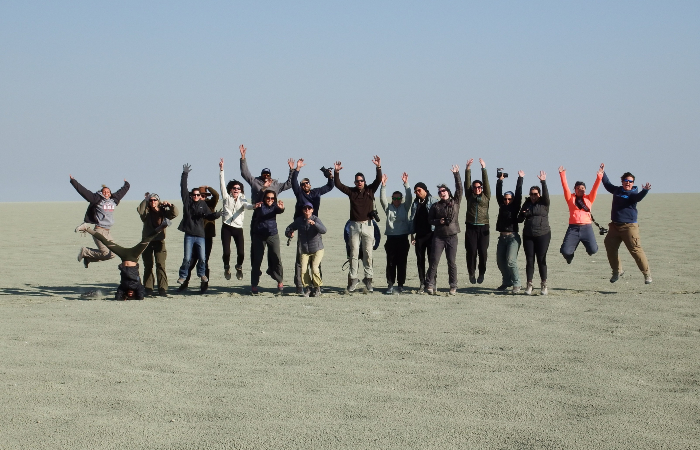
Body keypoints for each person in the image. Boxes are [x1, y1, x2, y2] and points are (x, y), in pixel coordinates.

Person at [79, 219, 172, 300]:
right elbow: (141, 297)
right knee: (147, 239)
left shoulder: (122, 287)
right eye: (132, 295)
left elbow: (118, 296)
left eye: (129, 295)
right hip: (134, 255)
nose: (130, 293)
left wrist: (123, 297)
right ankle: (163, 225)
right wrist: (136, 296)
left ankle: (87, 228)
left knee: (106, 242)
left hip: (123, 255)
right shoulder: (138, 287)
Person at [334, 156, 382, 292]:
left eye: (361, 180)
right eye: (357, 181)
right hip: (354, 226)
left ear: (364, 181)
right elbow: (338, 185)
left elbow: (379, 179)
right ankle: (353, 279)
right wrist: (336, 172)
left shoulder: (370, 190)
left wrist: (378, 167)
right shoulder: (352, 192)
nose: (359, 182)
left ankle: (368, 279)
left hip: (368, 225)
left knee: (368, 253)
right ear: (355, 182)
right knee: (353, 252)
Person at [601, 166, 652, 284]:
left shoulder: (633, 193)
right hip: (614, 227)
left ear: (633, 183)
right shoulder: (617, 190)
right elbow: (607, 184)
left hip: (629, 227)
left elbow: (638, 198)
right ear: (622, 182)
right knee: (609, 246)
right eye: (626, 181)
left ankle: (647, 274)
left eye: (630, 181)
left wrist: (644, 191)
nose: (628, 183)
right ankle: (617, 271)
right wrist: (603, 173)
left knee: (635, 250)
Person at [290, 158, 334, 294]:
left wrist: (330, 176)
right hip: (301, 225)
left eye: (307, 183)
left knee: (316, 258)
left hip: (314, 224)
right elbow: (293, 183)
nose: (305, 185)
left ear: (310, 184)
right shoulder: (299, 193)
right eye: (303, 184)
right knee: (301, 259)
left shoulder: (316, 192)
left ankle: (317, 286)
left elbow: (330, 186)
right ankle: (300, 286)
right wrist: (297, 169)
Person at [176, 164, 222, 288]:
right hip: (190, 235)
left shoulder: (205, 204)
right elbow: (183, 188)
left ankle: (202, 278)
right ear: (191, 195)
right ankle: (183, 278)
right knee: (187, 259)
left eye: (199, 195)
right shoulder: (188, 202)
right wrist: (184, 174)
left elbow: (209, 215)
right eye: (195, 194)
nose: (197, 196)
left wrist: (217, 215)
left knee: (203, 259)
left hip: (203, 236)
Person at [70, 175, 130, 267]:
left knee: (113, 254)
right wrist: (73, 181)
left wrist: (126, 184)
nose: (106, 193)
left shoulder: (113, 200)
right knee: (106, 253)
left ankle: (88, 258)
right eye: (104, 191)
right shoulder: (96, 199)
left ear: (110, 193)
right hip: (99, 231)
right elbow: (84, 192)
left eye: (108, 192)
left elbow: (122, 192)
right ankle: (86, 251)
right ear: (101, 192)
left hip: (108, 232)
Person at [425, 165, 463, 295]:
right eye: (440, 191)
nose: (442, 192)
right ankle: (430, 285)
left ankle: (453, 286)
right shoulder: (436, 206)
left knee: (451, 262)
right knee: (434, 261)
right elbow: (429, 220)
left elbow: (460, 189)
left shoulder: (455, 202)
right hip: (439, 237)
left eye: (444, 190)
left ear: (448, 191)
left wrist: (456, 174)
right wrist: (438, 221)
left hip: (452, 236)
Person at [219, 158, 255, 282]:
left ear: (241, 190)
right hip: (226, 227)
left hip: (238, 229)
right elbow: (222, 183)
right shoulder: (226, 197)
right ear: (230, 189)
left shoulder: (243, 199)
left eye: (238, 188)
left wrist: (255, 206)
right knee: (227, 252)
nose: (236, 190)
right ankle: (226, 267)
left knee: (241, 253)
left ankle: (239, 267)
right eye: (234, 188)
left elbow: (248, 206)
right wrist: (222, 170)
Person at [559, 164, 604, 264]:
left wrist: (600, 175)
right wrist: (562, 174)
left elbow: (595, 187)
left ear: (585, 190)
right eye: (578, 188)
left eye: (583, 188)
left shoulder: (589, 198)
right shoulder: (570, 198)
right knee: (565, 251)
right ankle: (570, 256)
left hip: (587, 228)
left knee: (593, 250)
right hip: (573, 228)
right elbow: (565, 187)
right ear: (575, 190)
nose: (581, 189)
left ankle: (589, 248)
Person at [137, 193, 179, 297]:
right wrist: (145, 200)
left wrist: (170, 205)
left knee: (160, 265)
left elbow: (175, 213)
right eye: (151, 200)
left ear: (158, 201)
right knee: (148, 265)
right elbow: (140, 210)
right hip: (147, 241)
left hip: (159, 241)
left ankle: (162, 289)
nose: (153, 202)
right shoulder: (146, 212)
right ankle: (148, 288)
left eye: (155, 200)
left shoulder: (163, 211)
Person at [518, 171, 551, 295]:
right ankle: (529, 284)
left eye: (535, 194)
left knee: (541, 259)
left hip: (543, 234)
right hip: (528, 235)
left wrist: (543, 181)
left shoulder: (544, 203)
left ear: (539, 194)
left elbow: (546, 195)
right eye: (531, 194)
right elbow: (520, 219)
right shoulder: (526, 204)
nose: (533, 196)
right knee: (529, 260)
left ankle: (544, 284)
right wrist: (523, 213)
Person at [379, 172, 412, 294]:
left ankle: (401, 285)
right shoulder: (388, 208)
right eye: (394, 198)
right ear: (392, 199)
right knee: (391, 262)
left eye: (398, 198)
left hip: (403, 238)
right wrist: (383, 185)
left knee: (402, 263)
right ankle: (390, 285)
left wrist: (406, 183)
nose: (396, 200)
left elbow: (409, 197)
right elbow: (382, 199)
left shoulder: (405, 207)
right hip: (391, 239)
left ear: (401, 199)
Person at [285, 201, 327, 297]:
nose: (307, 210)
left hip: (317, 249)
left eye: (309, 208)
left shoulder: (316, 219)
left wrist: (314, 224)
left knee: (315, 268)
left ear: (312, 210)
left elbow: (324, 230)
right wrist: (289, 233)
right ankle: (308, 288)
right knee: (303, 270)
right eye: (305, 208)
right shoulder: (300, 221)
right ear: (303, 210)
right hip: (305, 250)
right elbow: (289, 227)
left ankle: (317, 288)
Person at [250, 190, 285, 294]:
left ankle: (279, 281)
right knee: (257, 260)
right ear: (264, 198)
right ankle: (254, 284)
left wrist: (282, 208)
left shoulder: (275, 207)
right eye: (268, 198)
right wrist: (262, 189)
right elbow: (260, 208)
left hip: (272, 235)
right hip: (259, 236)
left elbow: (279, 210)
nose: (270, 200)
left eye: (272, 198)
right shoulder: (259, 206)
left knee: (276, 257)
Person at [495, 170, 524, 294]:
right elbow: (498, 193)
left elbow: (518, 194)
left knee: (511, 261)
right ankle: (506, 281)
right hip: (502, 238)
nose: (507, 201)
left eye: (509, 199)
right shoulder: (502, 205)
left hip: (513, 237)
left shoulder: (515, 206)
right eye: (505, 199)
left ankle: (517, 283)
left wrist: (520, 179)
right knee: (501, 262)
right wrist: (500, 180)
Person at [464, 158, 491, 284]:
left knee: (483, 252)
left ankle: (481, 273)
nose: (477, 189)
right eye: (475, 187)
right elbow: (467, 184)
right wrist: (468, 169)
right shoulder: (470, 196)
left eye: (479, 187)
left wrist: (483, 168)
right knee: (471, 251)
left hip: (483, 227)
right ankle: (471, 272)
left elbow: (486, 183)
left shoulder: (486, 196)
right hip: (471, 227)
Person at [409, 182, 437, 292]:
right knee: (420, 260)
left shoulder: (433, 202)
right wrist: (412, 235)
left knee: (432, 260)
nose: (417, 193)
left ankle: (432, 282)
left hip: (431, 234)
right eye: (415, 191)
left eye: (419, 190)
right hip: (419, 236)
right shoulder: (415, 203)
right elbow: (412, 219)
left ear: (425, 190)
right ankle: (422, 283)